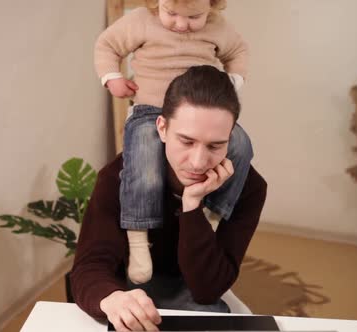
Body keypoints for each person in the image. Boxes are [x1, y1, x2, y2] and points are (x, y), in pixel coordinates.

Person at [70, 66, 267, 331]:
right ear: (161, 128)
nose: (198, 163)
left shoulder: (249, 187)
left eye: (215, 146)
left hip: (195, 287)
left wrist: (192, 206)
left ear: (230, 139)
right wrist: (113, 298)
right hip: (127, 288)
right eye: (186, 141)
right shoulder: (117, 177)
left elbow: (208, 289)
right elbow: (89, 267)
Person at [95, 0, 253, 285]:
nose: (181, 24)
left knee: (241, 142)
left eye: (194, 17)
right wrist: (112, 77)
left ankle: (212, 218)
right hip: (150, 111)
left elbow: (238, 50)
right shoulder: (141, 20)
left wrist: (234, 80)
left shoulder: (218, 26)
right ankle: (139, 239)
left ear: (213, 6)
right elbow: (107, 45)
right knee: (144, 150)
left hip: (200, 113)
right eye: (171, 13)